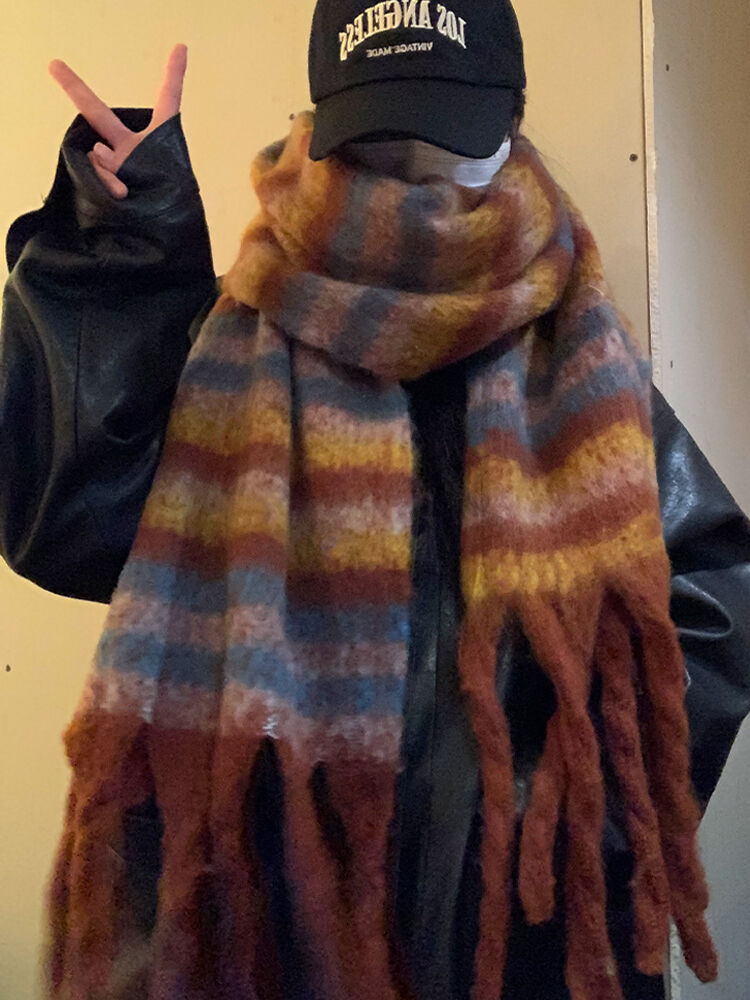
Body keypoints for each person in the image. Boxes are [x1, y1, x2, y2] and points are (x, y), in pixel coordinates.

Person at [2, 3, 750, 999]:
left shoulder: (575, 360)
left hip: (513, 938)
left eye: (445, 137)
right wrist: (124, 258)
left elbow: (709, 600)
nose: (415, 175)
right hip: (265, 930)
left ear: (507, 121)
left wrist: (555, 811)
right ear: (325, 126)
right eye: (383, 141)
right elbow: (71, 521)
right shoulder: (234, 332)